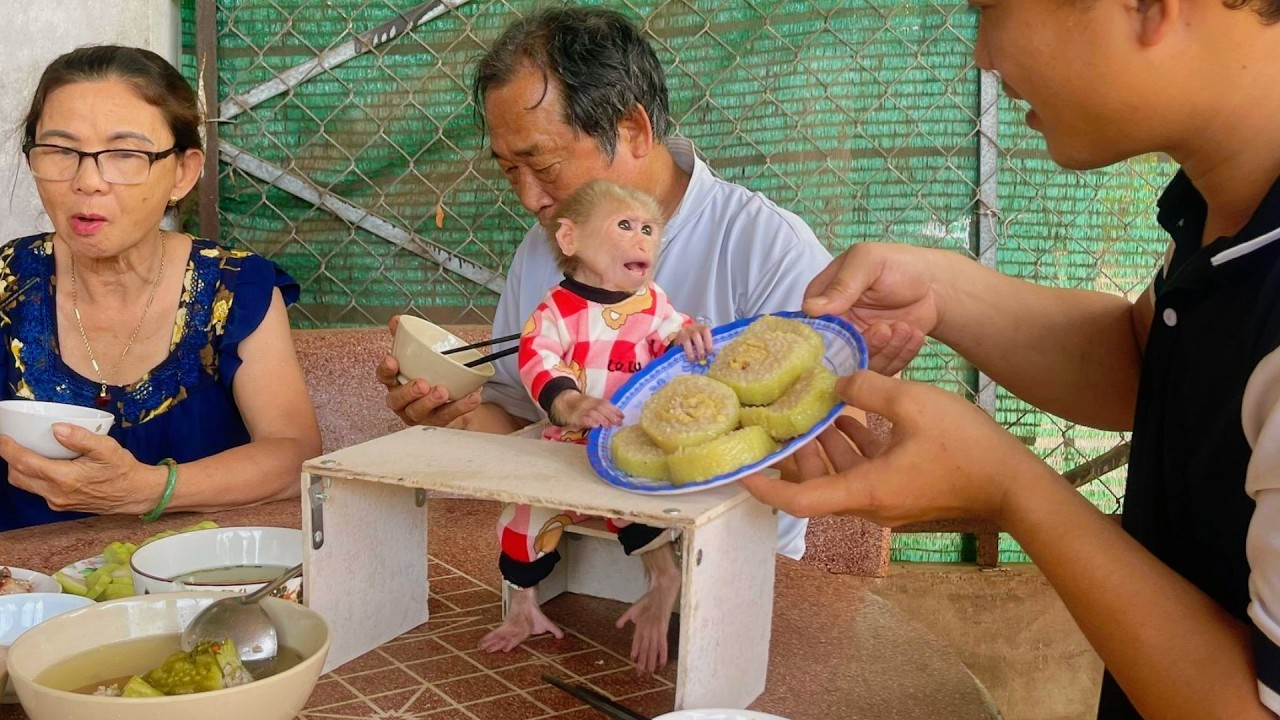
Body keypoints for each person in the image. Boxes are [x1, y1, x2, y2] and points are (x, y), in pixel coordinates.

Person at [741, 0, 1280, 717]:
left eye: (989, 8)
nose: (983, 55)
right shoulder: (1228, 204)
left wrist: (1010, 489)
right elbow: (1144, 366)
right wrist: (939, 289)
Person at [376, 5, 834, 561]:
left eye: (542, 166)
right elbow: (518, 419)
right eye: (508, 171)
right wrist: (453, 418)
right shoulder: (548, 248)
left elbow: (824, 443)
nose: (529, 198)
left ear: (633, 130)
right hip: (572, 562)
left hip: (731, 567)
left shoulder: (764, 246)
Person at [0, 45, 321, 532]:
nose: (88, 182)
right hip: (26, 592)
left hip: (195, 582)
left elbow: (292, 454)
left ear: (183, 172)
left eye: (125, 154)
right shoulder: (8, 283)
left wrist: (146, 489)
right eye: (61, 151)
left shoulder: (232, 289)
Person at [481, 179, 712, 673]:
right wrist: (567, 401)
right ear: (571, 240)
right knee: (522, 520)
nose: (642, 239)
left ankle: (663, 579)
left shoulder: (653, 304)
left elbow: (676, 330)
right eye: (625, 225)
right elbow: (538, 358)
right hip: (567, 443)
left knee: (642, 509)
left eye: (650, 229)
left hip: (629, 444)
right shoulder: (555, 310)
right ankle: (523, 606)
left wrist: (689, 334)